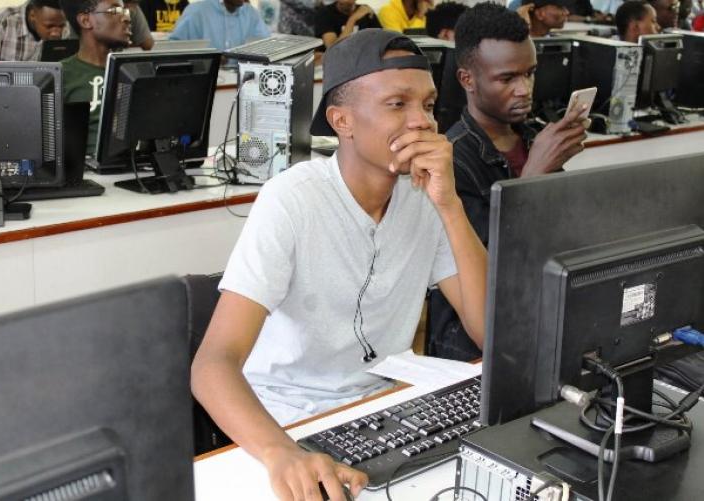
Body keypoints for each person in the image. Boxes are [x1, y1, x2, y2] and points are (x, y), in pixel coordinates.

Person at [191, 28, 487, 501]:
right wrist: (281, 453)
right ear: (342, 121)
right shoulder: (292, 200)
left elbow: (489, 332)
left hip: (383, 411)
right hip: (287, 423)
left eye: (429, 106)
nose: (422, 122)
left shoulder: (427, 197)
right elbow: (212, 365)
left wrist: (450, 206)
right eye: (398, 104)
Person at [427, 3, 588, 360]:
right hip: (471, 345)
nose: (524, 89)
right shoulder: (449, 161)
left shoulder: (533, 139)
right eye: (507, 78)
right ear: (467, 80)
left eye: (530, 73)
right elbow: (489, 265)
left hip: (539, 314)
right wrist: (533, 175)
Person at [60, 0, 131, 156]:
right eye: (114, 11)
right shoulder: (60, 75)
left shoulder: (134, 72)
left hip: (134, 163)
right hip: (84, 166)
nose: (127, 18)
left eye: (125, 11)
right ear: (86, 21)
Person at [0, 0, 67, 61]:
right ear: (32, 15)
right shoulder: (3, 20)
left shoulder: (65, 25)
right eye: (49, 26)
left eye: (61, 26)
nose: (56, 33)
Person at [168, 0, 269, 50]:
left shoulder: (251, 13)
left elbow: (266, 46)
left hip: (242, 80)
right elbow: (174, 50)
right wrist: (210, 60)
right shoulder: (196, 12)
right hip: (207, 80)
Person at [314, 0, 381, 49]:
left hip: (363, 57)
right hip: (334, 60)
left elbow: (381, 40)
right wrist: (352, 19)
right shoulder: (325, 13)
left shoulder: (365, 10)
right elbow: (332, 48)